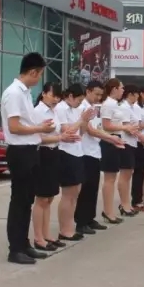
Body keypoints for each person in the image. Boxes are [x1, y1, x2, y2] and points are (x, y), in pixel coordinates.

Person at [2, 52, 53, 264]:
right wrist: (39, 128)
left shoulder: (24, 93)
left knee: (27, 201)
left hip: (31, 150)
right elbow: (14, 127)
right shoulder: (14, 93)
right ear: (32, 72)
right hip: (20, 152)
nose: (39, 78)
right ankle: (15, 249)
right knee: (19, 201)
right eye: (39, 74)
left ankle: (24, 244)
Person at [75, 80, 124, 235]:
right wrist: (111, 138)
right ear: (88, 91)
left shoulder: (94, 108)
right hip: (84, 151)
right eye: (96, 94)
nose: (98, 97)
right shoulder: (82, 107)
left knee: (93, 187)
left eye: (100, 95)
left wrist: (110, 139)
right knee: (85, 189)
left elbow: (98, 129)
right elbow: (90, 130)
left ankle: (90, 218)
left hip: (95, 150)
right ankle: (81, 221)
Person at [54, 84, 95, 241]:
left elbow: (81, 132)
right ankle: (64, 229)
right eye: (78, 100)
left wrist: (85, 122)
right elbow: (66, 131)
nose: (79, 103)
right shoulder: (61, 108)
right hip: (66, 152)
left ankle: (70, 226)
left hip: (78, 151)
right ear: (70, 96)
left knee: (76, 192)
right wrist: (81, 120)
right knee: (68, 193)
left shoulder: (77, 110)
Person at [32, 82, 65, 252]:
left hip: (54, 153)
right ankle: (38, 237)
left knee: (50, 197)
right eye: (53, 95)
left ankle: (46, 234)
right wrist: (60, 138)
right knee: (41, 198)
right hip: (43, 154)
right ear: (44, 93)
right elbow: (38, 137)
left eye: (58, 97)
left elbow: (59, 133)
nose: (56, 99)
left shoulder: (55, 111)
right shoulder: (37, 112)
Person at [99, 78, 133, 224]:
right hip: (109, 140)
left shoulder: (114, 104)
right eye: (121, 88)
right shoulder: (108, 104)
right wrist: (125, 128)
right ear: (114, 89)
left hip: (116, 139)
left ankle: (110, 210)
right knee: (109, 178)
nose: (123, 90)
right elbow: (106, 126)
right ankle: (108, 211)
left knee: (113, 176)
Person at [118, 84, 144, 216]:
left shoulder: (132, 107)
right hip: (126, 142)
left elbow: (136, 125)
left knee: (129, 173)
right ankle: (124, 204)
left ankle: (127, 204)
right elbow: (127, 127)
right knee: (125, 175)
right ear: (131, 94)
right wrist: (140, 135)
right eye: (136, 94)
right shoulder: (124, 107)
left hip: (133, 143)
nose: (138, 97)